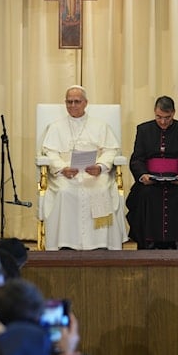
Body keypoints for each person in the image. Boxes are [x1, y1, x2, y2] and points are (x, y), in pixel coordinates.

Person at [39, 86, 125, 251]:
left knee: (100, 188)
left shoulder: (100, 126)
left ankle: (100, 242)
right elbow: (49, 152)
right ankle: (65, 241)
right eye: (69, 102)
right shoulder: (56, 127)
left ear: (85, 103)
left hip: (94, 174)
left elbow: (111, 149)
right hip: (66, 175)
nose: (72, 105)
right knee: (64, 192)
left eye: (76, 101)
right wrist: (63, 168)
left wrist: (100, 167)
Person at [126, 96, 178, 249]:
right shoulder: (144, 129)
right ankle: (148, 240)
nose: (162, 122)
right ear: (155, 112)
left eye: (167, 118)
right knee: (145, 193)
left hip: (176, 177)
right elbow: (136, 159)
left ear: (173, 113)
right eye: (159, 117)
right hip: (150, 177)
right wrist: (143, 175)